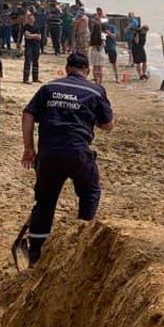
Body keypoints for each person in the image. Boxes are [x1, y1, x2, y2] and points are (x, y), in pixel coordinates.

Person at [20, 51, 114, 265]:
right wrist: (89, 117)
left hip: (48, 153)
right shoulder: (95, 91)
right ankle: (80, 238)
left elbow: (28, 114)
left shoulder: (48, 88)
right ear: (87, 71)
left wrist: (28, 148)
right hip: (77, 153)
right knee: (90, 192)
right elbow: (108, 125)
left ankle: (36, 255)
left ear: (67, 68)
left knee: (44, 202)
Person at [21, 9, 43, 83]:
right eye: (29, 18)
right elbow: (27, 36)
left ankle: (35, 78)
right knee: (27, 61)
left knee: (35, 62)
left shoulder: (37, 27)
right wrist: (35, 35)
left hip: (36, 46)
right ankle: (26, 79)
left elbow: (40, 37)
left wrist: (32, 35)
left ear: (34, 19)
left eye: (32, 18)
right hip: (28, 46)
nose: (31, 20)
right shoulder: (25, 27)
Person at [88, 12, 105, 85]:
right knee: (99, 67)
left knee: (95, 67)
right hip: (99, 49)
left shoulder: (92, 31)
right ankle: (100, 81)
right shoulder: (100, 31)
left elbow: (90, 42)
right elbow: (103, 42)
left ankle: (96, 81)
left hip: (94, 49)